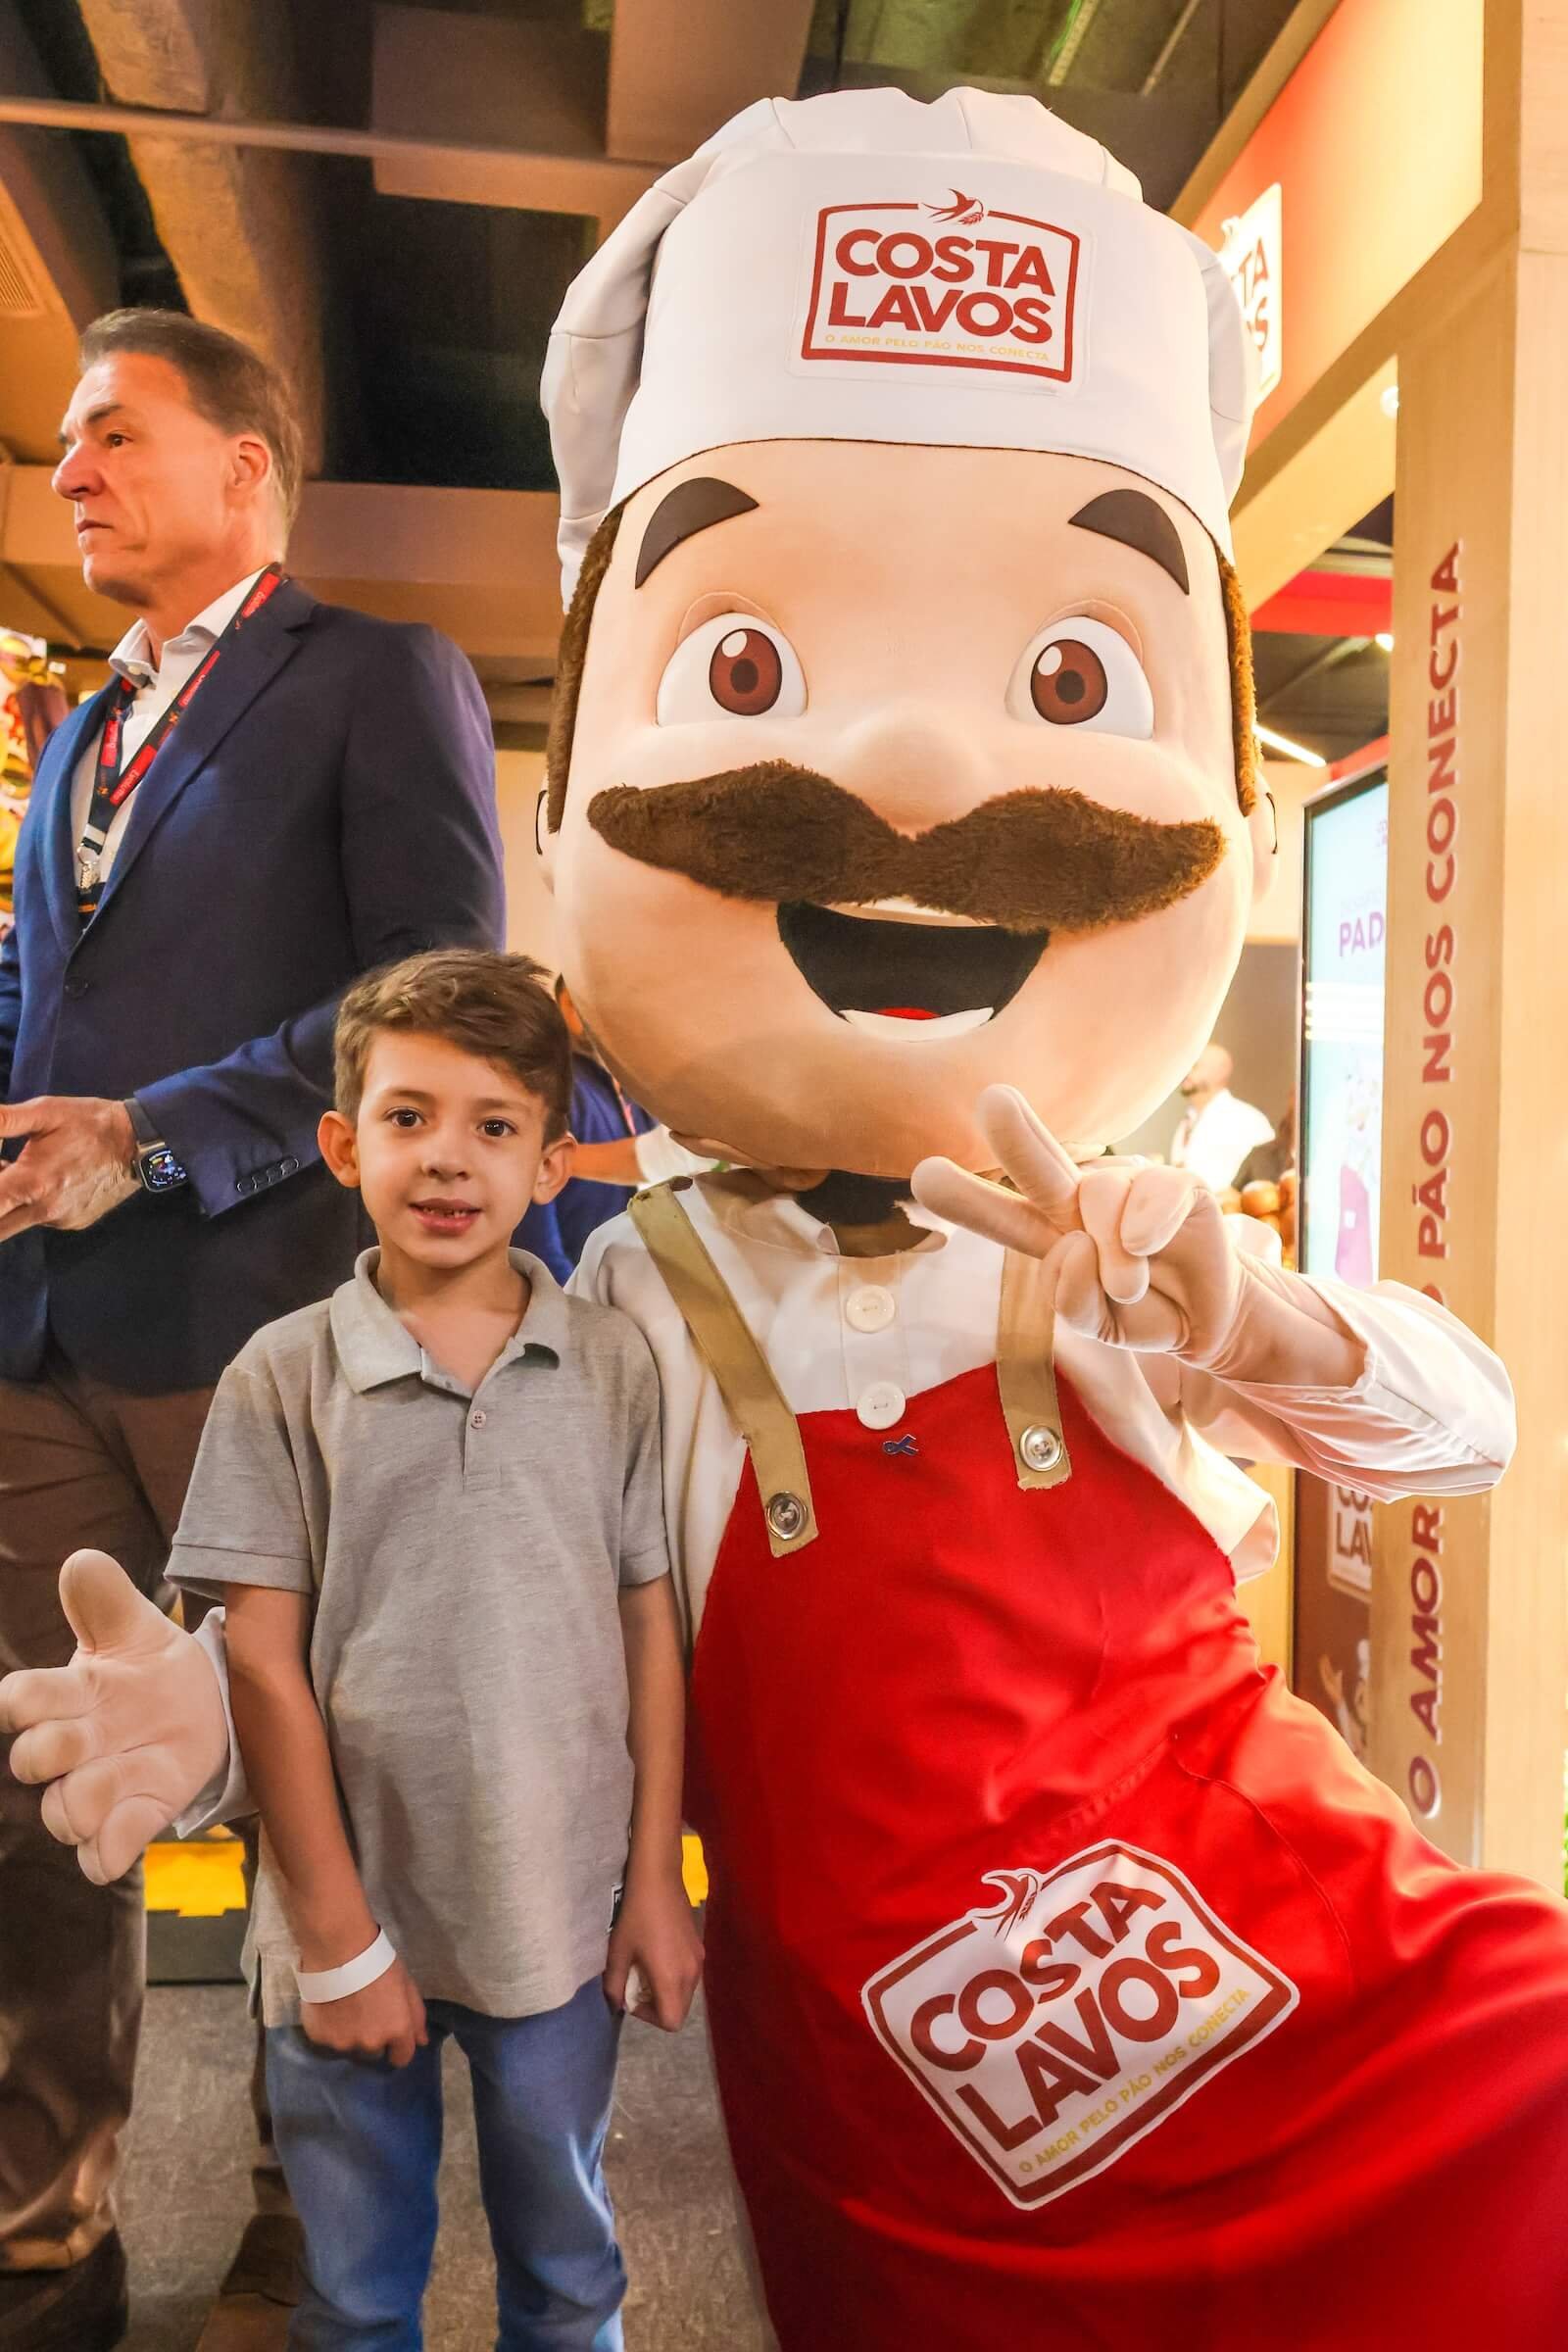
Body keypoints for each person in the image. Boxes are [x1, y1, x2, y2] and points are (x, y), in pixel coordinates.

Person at [10, 89, 1568, 2348]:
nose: (919, 780)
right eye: (742, 672)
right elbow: (464, 1615)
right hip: (905, 2110)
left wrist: (1253, 1317)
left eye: (1066, 682)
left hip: (1320, 1993)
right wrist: (225, 1717)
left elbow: (1463, 1428)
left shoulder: (1104, 1231)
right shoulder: (642, 1301)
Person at [0, 310, 503, 2352]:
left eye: (112, 434)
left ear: (245, 467)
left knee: (313, 1793)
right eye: (64, 446)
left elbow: (435, 989)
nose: (68, 474)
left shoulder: (377, 676)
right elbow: (50, 1005)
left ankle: (317, 2242)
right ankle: (47, 2231)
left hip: (260, 1327)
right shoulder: (77, 736)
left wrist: (156, 1132)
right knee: (45, 1792)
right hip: (42, 1341)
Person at [165, 949, 701, 2347]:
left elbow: (650, 1626)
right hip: (344, 1917)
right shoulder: (280, 1374)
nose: (449, 1158)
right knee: (350, 2296)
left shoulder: (614, 1366)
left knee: (571, 2277)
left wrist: (655, 1879)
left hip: (557, 1918)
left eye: (495, 1124)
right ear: (345, 1146)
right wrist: (338, 1941)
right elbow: (259, 1665)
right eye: (408, 1117)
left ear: (551, 1162)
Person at [1168, 1040, 1275, 1191]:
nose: (1187, 1072)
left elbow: (1265, 1184)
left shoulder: (1249, 1121)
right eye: (1186, 1065)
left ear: (1220, 1073)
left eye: (1195, 1066)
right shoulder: (1188, 1120)